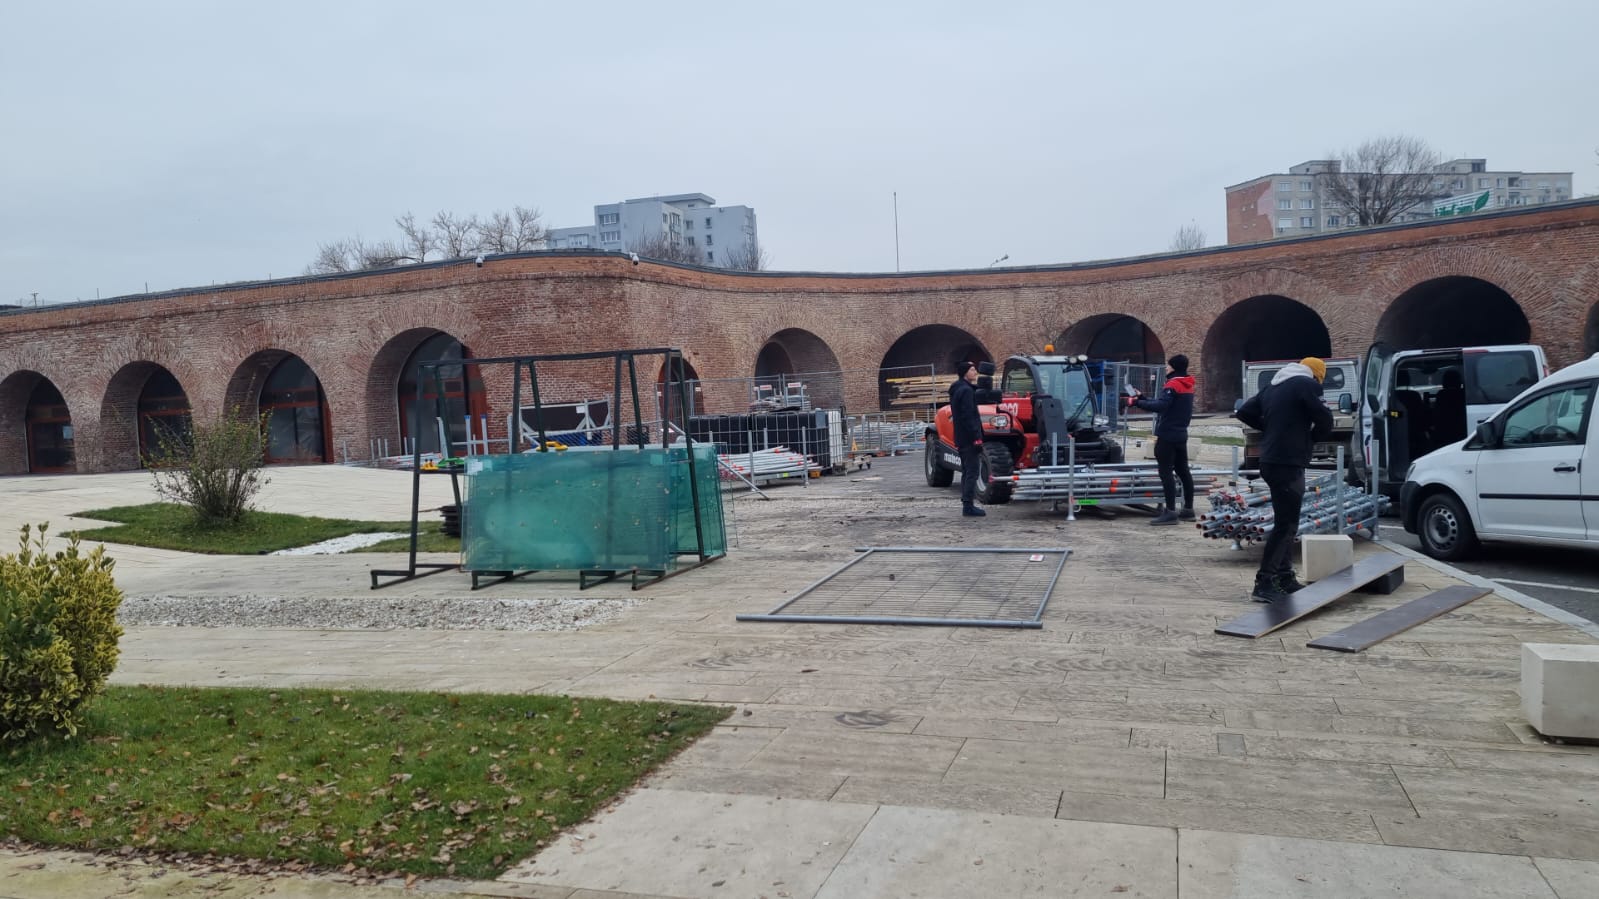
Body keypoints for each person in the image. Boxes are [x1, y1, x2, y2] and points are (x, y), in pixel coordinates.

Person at [1234, 356, 1335, 603]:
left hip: (1270, 460)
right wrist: (1310, 438)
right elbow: (1325, 420)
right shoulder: (1307, 384)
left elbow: (1244, 411)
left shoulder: (1274, 385)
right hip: (1288, 461)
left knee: (1286, 523)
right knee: (1286, 525)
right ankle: (1264, 582)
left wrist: (1270, 429)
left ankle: (1285, 577)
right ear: (1317, 375)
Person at [1129, 354, 1197, 525]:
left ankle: (1170, 512)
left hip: (1167, 435)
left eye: (1168, 365)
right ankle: (1188, 510)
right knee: (1183, 471)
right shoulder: (1188, 384)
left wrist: (1136, 403)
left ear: (1174, 367)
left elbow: (1161, 406)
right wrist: (1143, 398)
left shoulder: (1172, 384)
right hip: (1181, 434)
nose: (1166, 367)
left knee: (1165, 473)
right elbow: (1168, 405)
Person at [949, 360, 987, 517]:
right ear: (965, 373)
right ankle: (968, 506)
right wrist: (976, 437)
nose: (975, 372)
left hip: (961, 437)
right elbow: (969, 416)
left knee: (967, 470)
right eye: (972, 370)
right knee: (972, 471)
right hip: (969, 438)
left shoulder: (958, 389)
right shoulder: (966, 391)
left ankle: (966, 501)